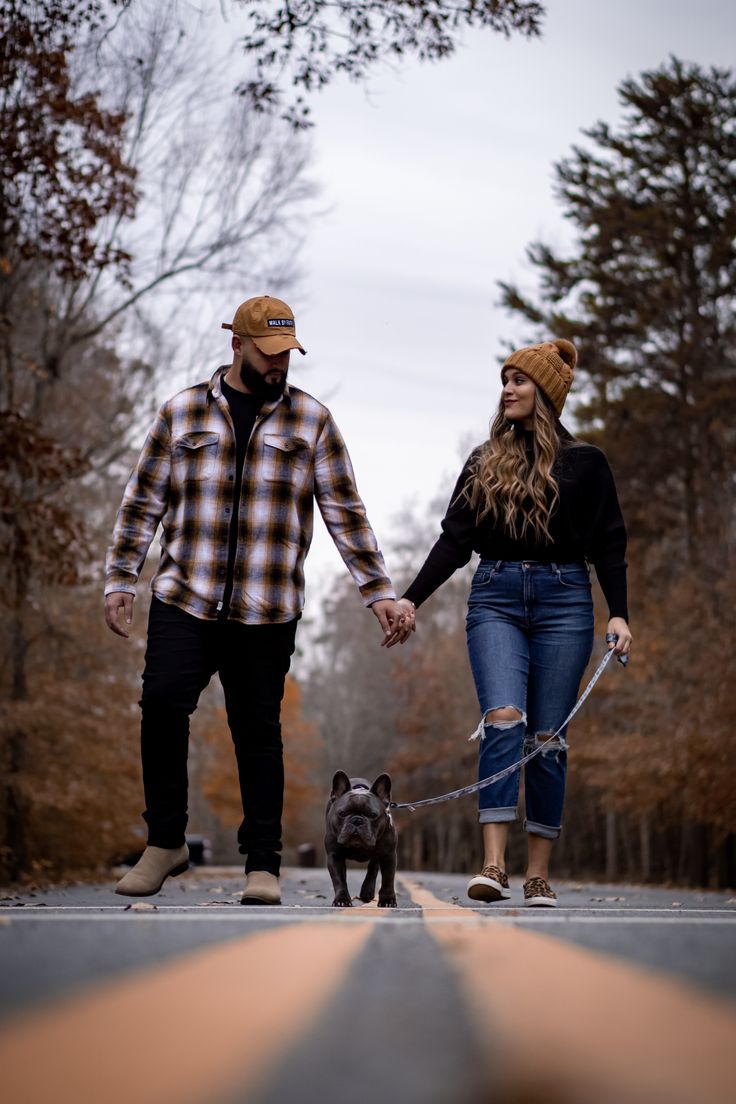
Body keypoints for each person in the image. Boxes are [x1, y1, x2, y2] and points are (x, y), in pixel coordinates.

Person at [105, 295, 411, 904]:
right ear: (237, 345)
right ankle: (164, 841)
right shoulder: (182, 412)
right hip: (183, 594)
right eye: (269, 353)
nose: (279, 365)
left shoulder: (312, 422)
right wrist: (121, 578)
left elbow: (345, 513)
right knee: (163, 703)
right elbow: (143, 501)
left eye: (287, 354)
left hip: (266, 608)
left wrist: (377, 591)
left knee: (257, 731)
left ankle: (262, 864)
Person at [395, 339, 631, 907]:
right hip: (495, 597)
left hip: (566, 600)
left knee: (548, 738)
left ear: (546, 393)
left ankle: (539, 874)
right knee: (503, 719)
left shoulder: (587, 464)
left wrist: (620, 612)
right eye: (504, 379)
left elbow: (610, 545)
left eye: (520, 380)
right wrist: (411, 601)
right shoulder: (484, 461)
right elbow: (455, 540)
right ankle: (494, 866)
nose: (507, 389)